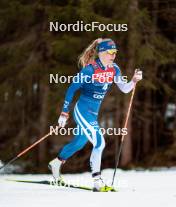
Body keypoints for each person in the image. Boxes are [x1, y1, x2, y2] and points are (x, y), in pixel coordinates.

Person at [49, 38, 142, 192]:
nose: (113, 55)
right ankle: (97, 181)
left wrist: (133, 80)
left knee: (79, 143)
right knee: (99, 142)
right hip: (82, 110)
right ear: (100, 53)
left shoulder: (114, 69)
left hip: (93, 113)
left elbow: (125, 89)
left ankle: (56, 163)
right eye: (109, 52)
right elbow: (71, 89)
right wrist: (64, 113)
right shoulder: (89, 70)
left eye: (115, 52)